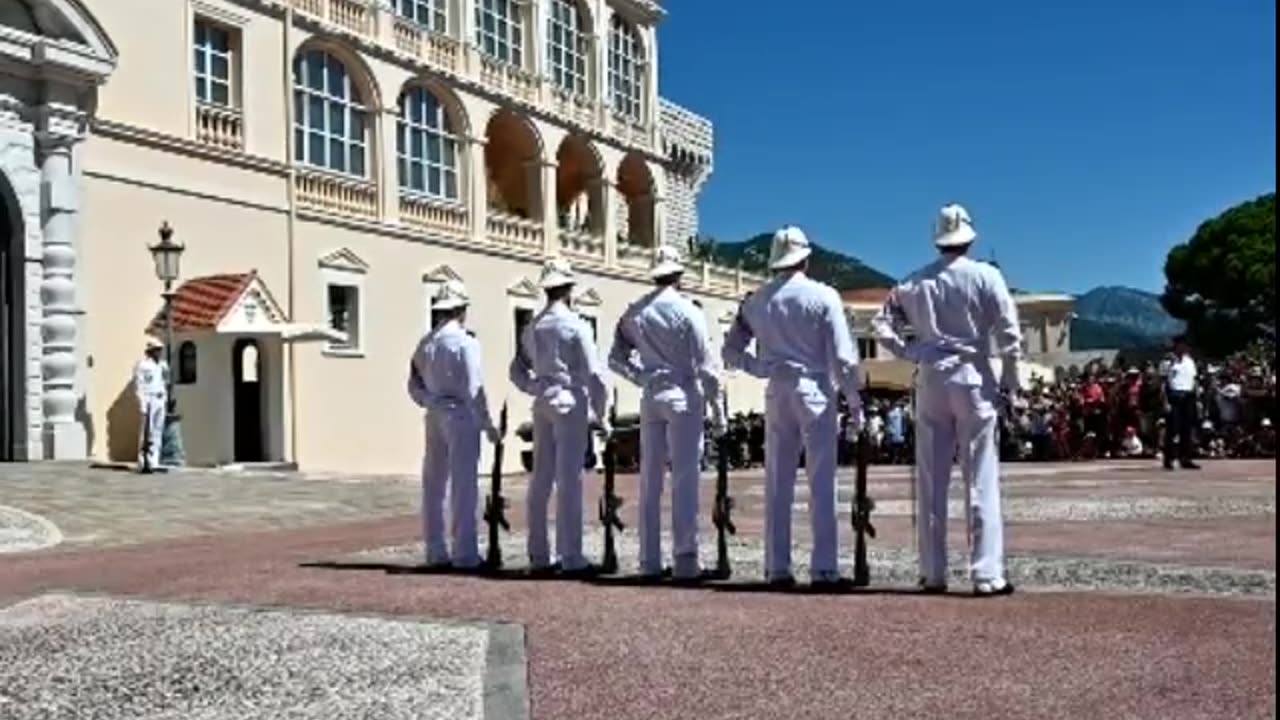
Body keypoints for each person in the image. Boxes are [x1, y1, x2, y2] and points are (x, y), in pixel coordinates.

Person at [871, 202, 1021, 597]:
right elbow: (1009, 334)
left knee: (931, 480)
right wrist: (1010, 381)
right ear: (969, 237)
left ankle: (933, 572)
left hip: (933, 378)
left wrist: (912, 352)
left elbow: (881, 324)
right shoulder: (987, 276)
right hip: (974, 376)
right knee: (981, 478)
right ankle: (986, 574)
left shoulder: (913, 283)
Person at [722, 226, 863, 587]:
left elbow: (730, 352)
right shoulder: (824, 296)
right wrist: (854, 400)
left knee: (777, 482)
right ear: (807, 257)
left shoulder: (755, 301)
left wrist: (761, 367)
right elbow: (844, 359)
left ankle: (777, 566)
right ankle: (824, 568)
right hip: (815, 389)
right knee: (821, 482)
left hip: (777, 390)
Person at [608, 244, 728, 581]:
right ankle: (685, 559)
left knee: (650, 479)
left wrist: (641, 376)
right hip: (683, 395)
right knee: (685, 478)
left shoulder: (635, 313)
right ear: (679, 275)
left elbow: (615, 358)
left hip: (651, 395)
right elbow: (707, 367)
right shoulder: (689, 312)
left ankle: (648, 559)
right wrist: (718, 412)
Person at [509, 258, 611, 576]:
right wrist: (602, 413)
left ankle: (539, 555)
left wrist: (534, 386)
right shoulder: (576, 325)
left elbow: (516, 369)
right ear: (568, 289)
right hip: (570, 402)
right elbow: (594, 374)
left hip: (542, 402)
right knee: (570, 481)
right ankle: (572, 556)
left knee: (540, 479)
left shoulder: (532, 328)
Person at [407, 280, 502, 569]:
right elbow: (475, 388)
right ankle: (465, 553)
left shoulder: (425, 344)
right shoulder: (466, 342)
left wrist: (430, 401)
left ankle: (435, 550)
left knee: (434, 484)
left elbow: (413, 385)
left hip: (435, 414)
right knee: (464, 484)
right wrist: (488, 425)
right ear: (461, 310)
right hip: (461, 415)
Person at [1162, 335, 1201, 470]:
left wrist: (1196, 397)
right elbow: (1163, 383)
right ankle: (1169, 459)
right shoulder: (1168, 362)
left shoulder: (1190, 361)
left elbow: (1194, 380)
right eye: (1182, 344)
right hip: (1174, 396)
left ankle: (1186, 458)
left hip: (1188, 396)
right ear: (1177, 345)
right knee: (1172, 429)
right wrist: (1165, 401)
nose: (1185, 347)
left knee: (1187, 429)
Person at [134, 337, 168, 473]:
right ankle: (143, 462)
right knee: (146, 432)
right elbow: (138, 385)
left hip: (160, 398)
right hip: (148, 399)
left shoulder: (162, 365)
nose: (159, 352)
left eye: (160, 350)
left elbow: (164, 381)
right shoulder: (142, 365)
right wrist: (142, 403)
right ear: (150, 350)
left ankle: (154, 461)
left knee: (157, 431)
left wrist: (165, 397)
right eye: (157, 350)